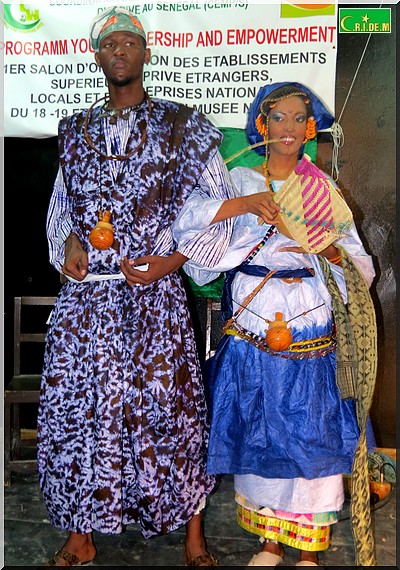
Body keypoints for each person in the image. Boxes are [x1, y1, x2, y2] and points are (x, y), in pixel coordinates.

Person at [37, 6, 241, 567]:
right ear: (97, 56)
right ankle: (81, 536)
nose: (120, 51)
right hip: (88, 305)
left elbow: (217, 207)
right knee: (81, 411)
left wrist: (173, 260)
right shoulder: (75, 132)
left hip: (157, 301)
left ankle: (193, 535)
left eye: (129, 42)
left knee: (172, 411)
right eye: (110, 44)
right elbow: (61, 212)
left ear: (146, 53)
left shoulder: (183, 127)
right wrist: (69, 244)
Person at [174, 82, 377, 566]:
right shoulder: (238, 180)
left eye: (298, 119)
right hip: (254, 316)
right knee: (257, 424)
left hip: (309, 316)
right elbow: (191, 225)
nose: (288, 128)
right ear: (261, 125)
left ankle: (308, 552)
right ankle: (269, 543)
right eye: (278, 118)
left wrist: (321, 247)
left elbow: (357, 263)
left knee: (313, 428)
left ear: (310, 129)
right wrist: (247, 207)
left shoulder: (321, 189)